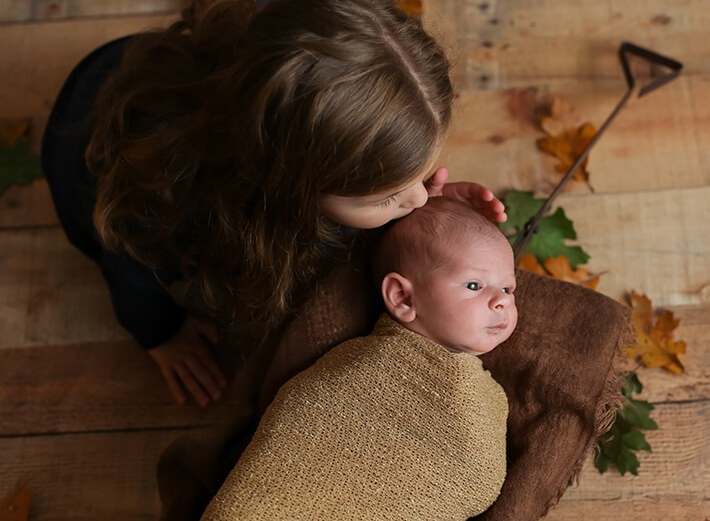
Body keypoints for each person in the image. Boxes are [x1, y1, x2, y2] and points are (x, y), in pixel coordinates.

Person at [40, 0, 506, 407]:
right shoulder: (174, 208)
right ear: (290, 188)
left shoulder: (292, 54)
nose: (420, 196)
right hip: (96, 156)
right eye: (388, 195)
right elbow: (128, 269)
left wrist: (428, 213)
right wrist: (160, 334)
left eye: (423, 174)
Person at [199, 196, 517, 520]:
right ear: (402, 297)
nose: (500, 302)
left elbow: (469, 476)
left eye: (508, 289)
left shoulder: (486, 395)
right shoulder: (362, 367)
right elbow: (309, 419)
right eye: (475, 285)